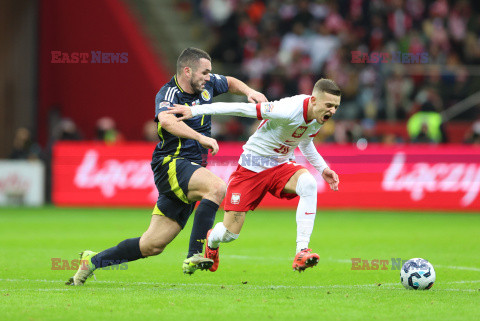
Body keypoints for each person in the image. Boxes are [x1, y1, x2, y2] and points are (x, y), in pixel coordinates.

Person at [67, 47, 267, 285]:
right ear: (187, 70)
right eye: (204, 72)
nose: (208, 77)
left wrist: (249, 91)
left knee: (151, 245)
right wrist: (200, 137)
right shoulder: (169, 94)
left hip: (189, 171)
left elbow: (230, 81)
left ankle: (92, 261)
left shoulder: (208, 85)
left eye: (210, 73)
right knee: (216, 187)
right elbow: (167, 120)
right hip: (171, 164)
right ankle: (195, 253)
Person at [167, 78, 341, 272]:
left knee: (309, 184)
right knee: (229, 234)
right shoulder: (287, 109)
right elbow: (241, 109)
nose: (332, 111)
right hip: (252, 168)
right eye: (329, 105)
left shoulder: (318, 115)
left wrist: (322, 168)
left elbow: (305, 141)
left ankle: (302, 251)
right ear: (314, 100)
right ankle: (212, 240)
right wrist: (195, 110)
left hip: (280, 165)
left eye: (335, 106)